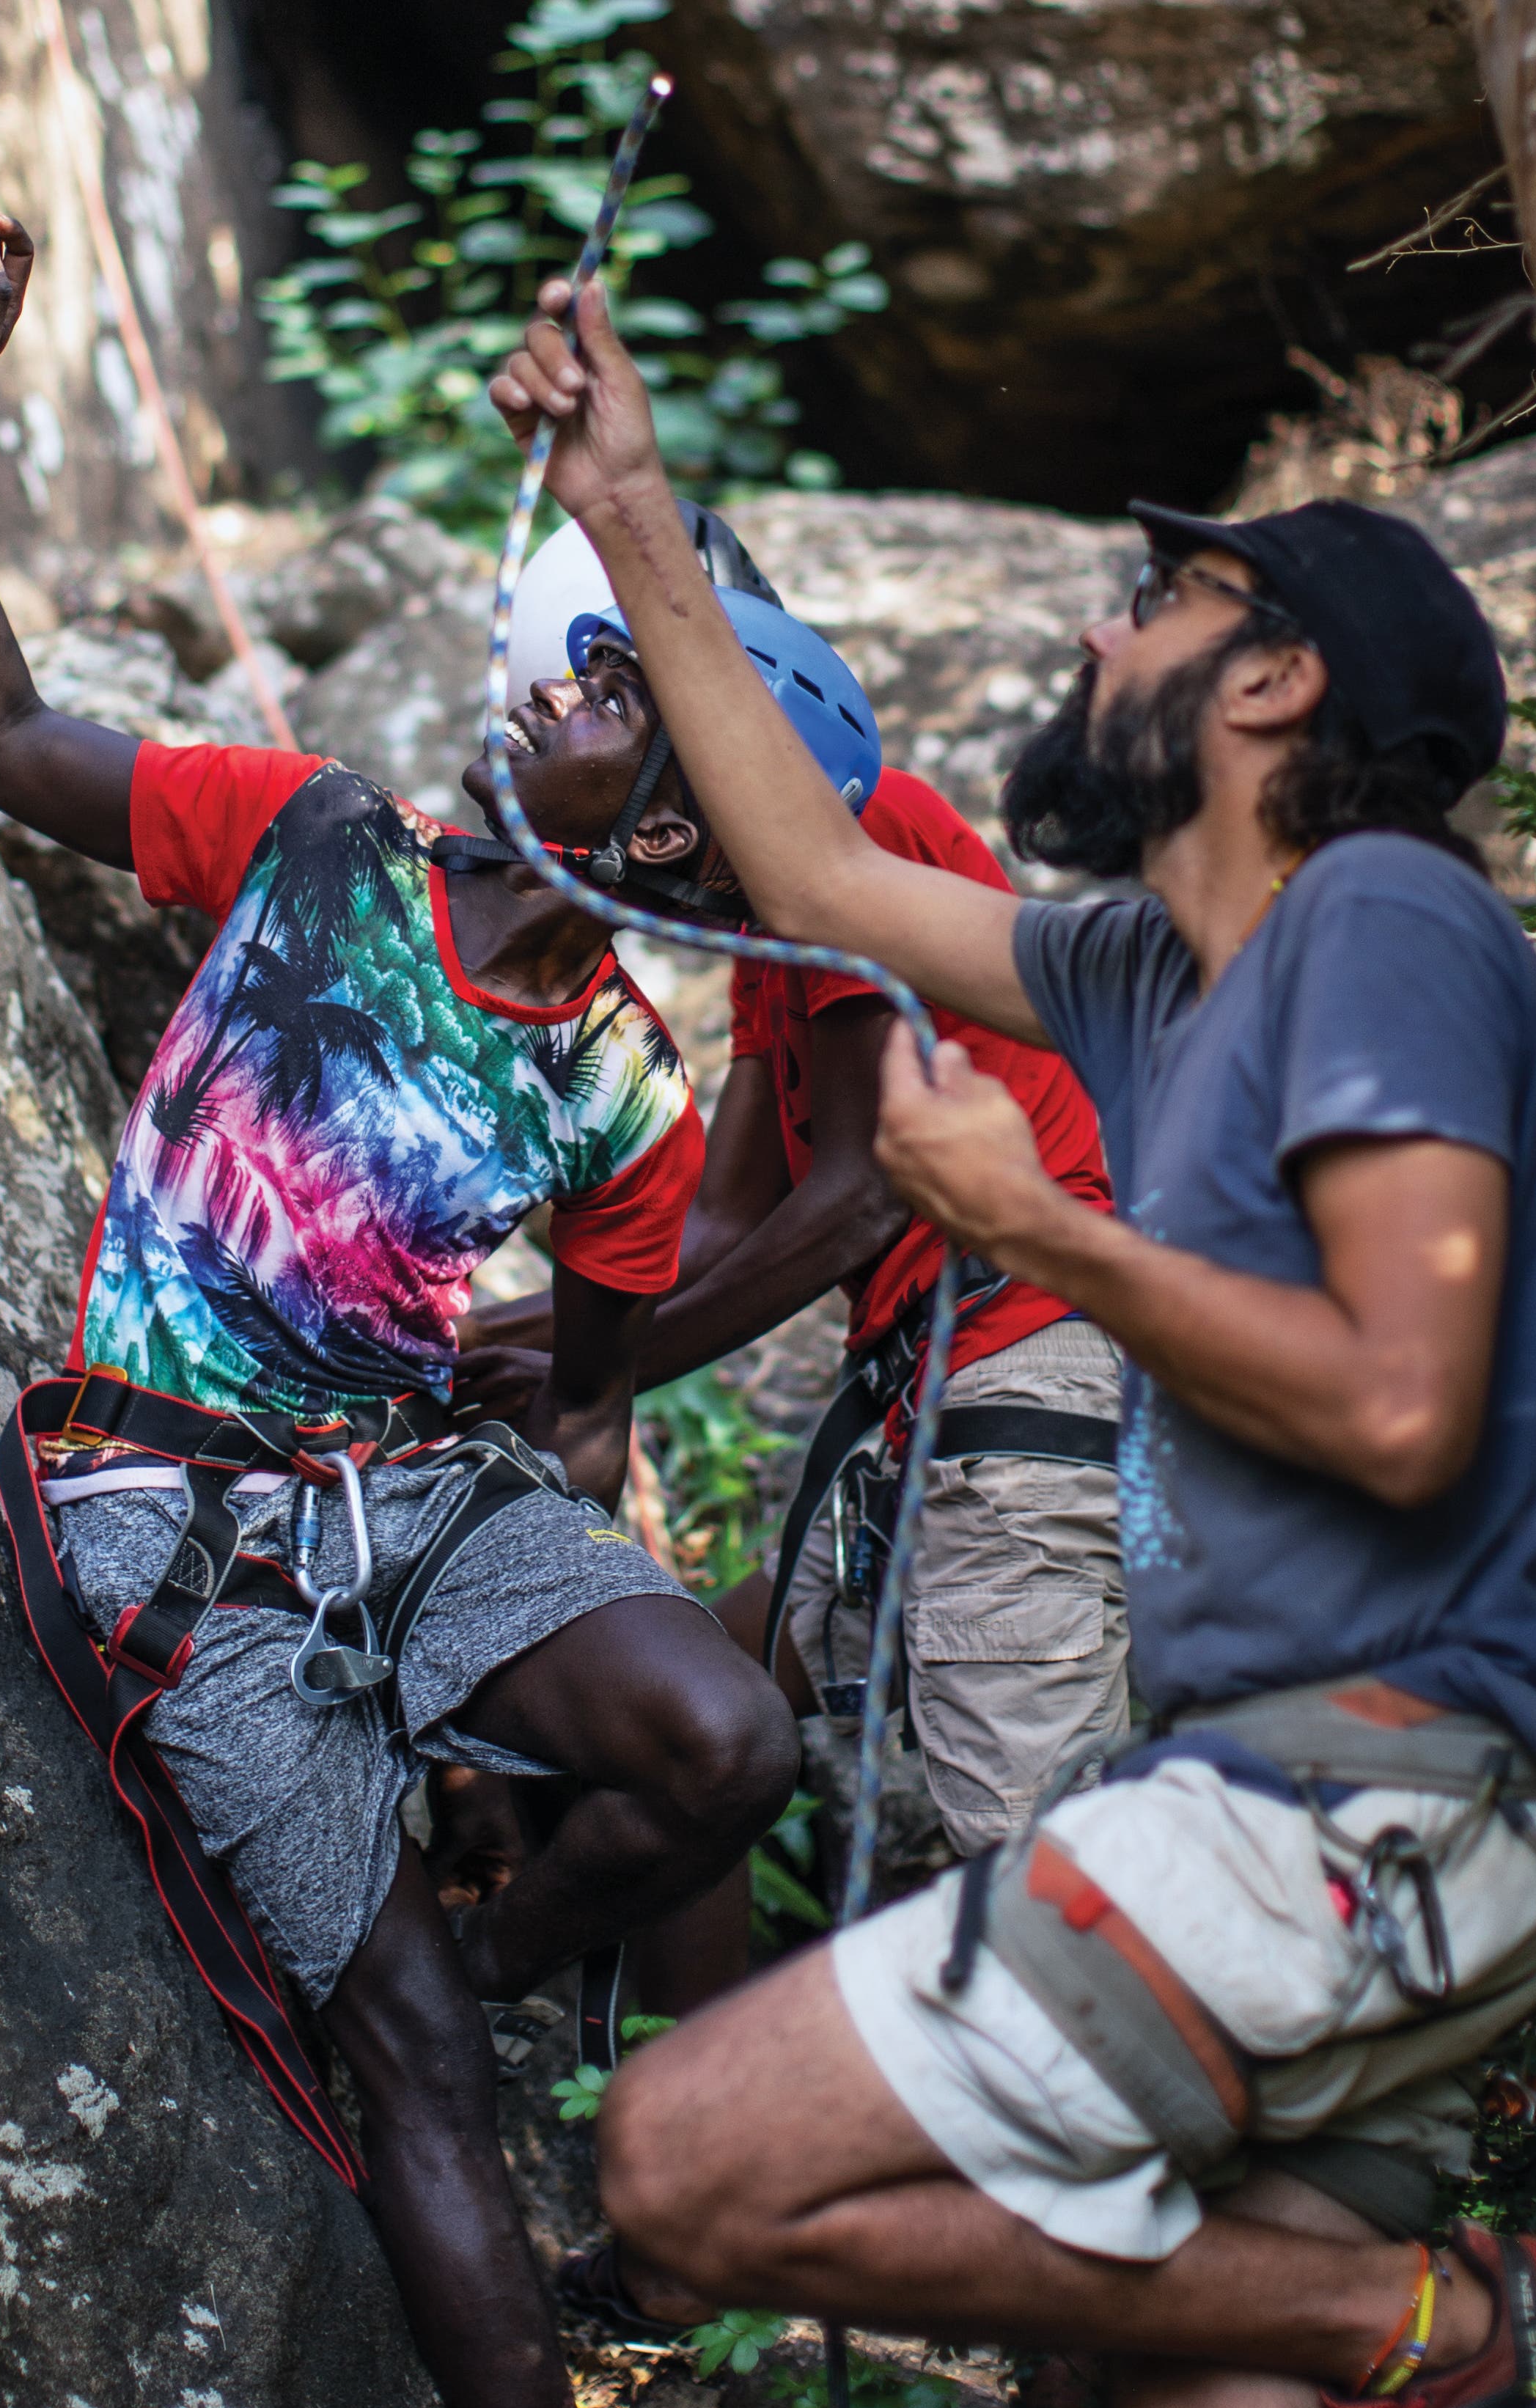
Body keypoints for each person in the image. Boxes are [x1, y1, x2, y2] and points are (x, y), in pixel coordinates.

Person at [490, 275, 1536, 2408]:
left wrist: (1038, 1232)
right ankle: (1352, 2350)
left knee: (687, 2160)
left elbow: (1396, 1398)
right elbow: (794, 852)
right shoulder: (1141, 964)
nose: (1094, 627)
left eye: (1155, 601)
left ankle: (1435, 2335)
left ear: (1265, 694)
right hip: (1332, 1818)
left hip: (1378, 1801)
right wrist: (630, 513)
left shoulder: (1381, 924)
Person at [0, 204, 831, 2408]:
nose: (691, 783)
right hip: (163, 1503)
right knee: (398, 2050)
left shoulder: (625, 1080)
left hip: (410, 1487)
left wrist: (542, 1662)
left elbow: (591, 1400)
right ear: (596, 713)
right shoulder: (299, 836)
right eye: (678, 717)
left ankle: (500, 1973)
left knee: (721, 1731)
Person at [462, 741, 1131, 1876]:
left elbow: (862, 1197)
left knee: (1044, 1892)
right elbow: (720, 1229)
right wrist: (461, 1333)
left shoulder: (867, 829)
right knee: (688, 1736)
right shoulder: (773, 937)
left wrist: (601, 1375)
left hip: (1017, 1381)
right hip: (924, 1404)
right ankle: (618, 2030)